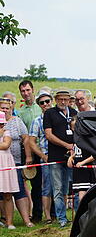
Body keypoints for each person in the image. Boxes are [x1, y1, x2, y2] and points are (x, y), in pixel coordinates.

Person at [44, 88, 77, 227]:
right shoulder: (50, 113)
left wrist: (74, 147)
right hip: (56, 157)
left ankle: (75, 217)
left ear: (69, 100)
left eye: (66, 99)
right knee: (57, 189)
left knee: (71, 188)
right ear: (56, 100)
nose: (63, 102)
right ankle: (62, 219)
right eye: (60, 99)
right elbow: (49, 135)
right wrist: (66, 145)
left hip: (71, 157)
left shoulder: (74, 113)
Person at [0, 98, 33, 227]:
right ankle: (5, 219)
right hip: (2, 163)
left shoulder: (17, 122)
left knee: (18, 189)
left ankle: (26, 220)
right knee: (2, 192)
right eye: (2, 108)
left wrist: (28, 156)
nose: (5, 110)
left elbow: (25, 139)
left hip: (14, 161)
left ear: (11, 109)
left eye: (7, 108)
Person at [17, 80, 43, 222]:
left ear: (33, 90)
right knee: (36, 185)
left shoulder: (41, 107)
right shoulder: (21, 113)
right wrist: (28, 155)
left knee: (49, 184)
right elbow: (24, 136)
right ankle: (37, 215)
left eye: (28, 90)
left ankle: (52, 214)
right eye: (23, 91)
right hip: (30, 152)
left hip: (44, 148)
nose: (26, 93)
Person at [29, 92, 53, 223]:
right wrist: (42, 156)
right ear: (39, 105)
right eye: (42, 103)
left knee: (61, 187)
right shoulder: (37, 121)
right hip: (46, 157)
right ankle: (48, 216)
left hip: (60, 156)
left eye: (47, 101)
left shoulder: (59, 117)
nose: (45, 104)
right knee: (46, 188)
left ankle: (59, 215)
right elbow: (31, 141)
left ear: (51, 101)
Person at [0, 112, 20, 229]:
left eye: (2, 124)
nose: (1, 126)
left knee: (8, 194)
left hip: (5, 162)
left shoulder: (7, 132)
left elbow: (6, 145)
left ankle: (9, 222)